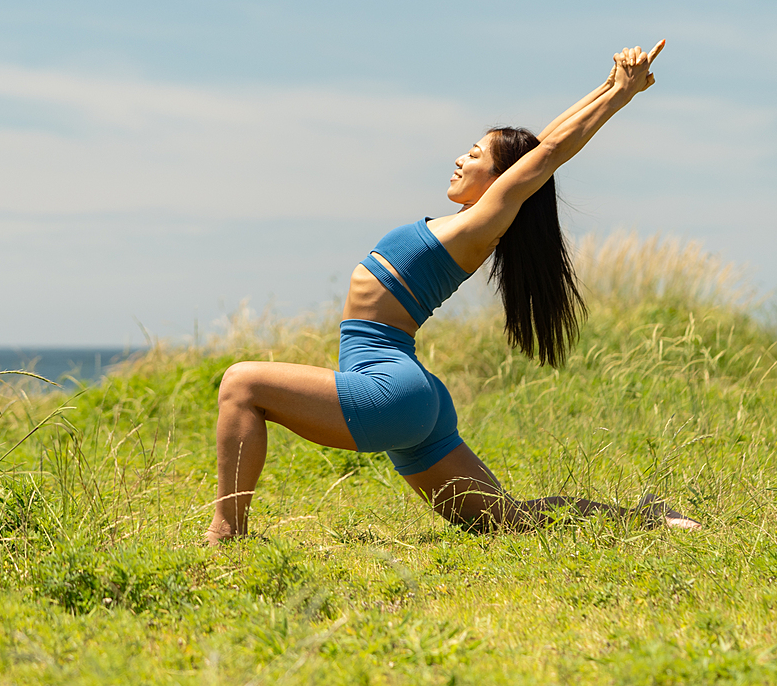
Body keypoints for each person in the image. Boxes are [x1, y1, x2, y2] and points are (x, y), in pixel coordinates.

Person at [205, 41, 700, 544]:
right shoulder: (467, 221)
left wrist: (620, 96)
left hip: (391, 388)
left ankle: (227, 534)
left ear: (502, 178)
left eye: (475, 154)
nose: (460, 159)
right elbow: (542, 146)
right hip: (409, 394)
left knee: (242, 383)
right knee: (511, 522)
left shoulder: (486, 220)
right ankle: (649, 520)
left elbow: (546, 155)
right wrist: (611, 83)